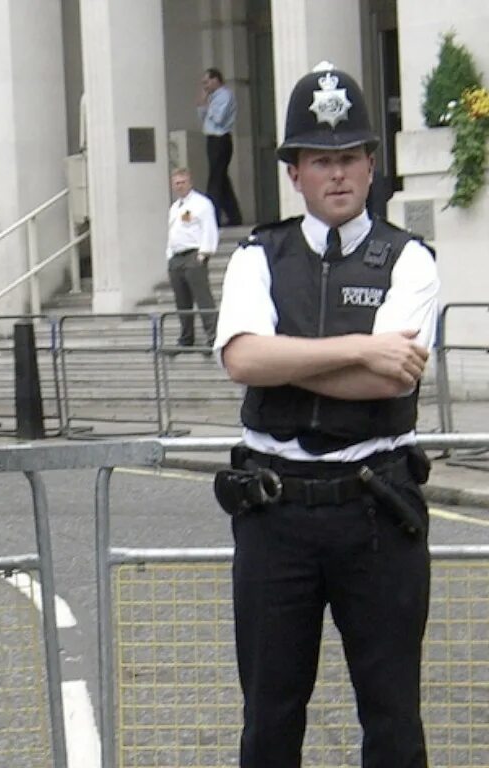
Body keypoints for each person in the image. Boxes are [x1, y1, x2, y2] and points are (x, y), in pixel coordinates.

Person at [212, 62, 439, 768]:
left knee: (393, 716)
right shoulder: (258, 255)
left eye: (348, 158)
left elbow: (389, 383)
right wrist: (359, 349)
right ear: (295, 173)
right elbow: (244, 361)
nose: (336, 175)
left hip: (376, 508)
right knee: (271, 719)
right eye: (320, 160)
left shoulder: (410, 259)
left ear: (371, 165)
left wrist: (295, 361)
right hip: (274, 513)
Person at [165, 167, 218, 352]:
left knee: (203, 297)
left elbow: (209, 228)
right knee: (182, 300)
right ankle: (186, 337)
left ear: (190, 182)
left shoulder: (201, 203)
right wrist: (169, 255)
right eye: (176, 183)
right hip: (177, 257)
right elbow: (172, 233)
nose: (179, 186)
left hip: (193, 254)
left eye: (182, 182)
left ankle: (212, 336)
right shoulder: (175, 207)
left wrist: (204, 253)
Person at [197, 67, 243, 227]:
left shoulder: (224, 95)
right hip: (212, 138)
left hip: (220, 139)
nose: (205, 86)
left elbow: (218, 118)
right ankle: (234, 216)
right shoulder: (212, 98)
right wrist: (203, 104)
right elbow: (203, 118)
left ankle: (213, 217)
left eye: (206, 82)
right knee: (221, 179)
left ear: (216, 80)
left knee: (215, 180)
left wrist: (208, 106)